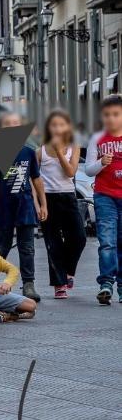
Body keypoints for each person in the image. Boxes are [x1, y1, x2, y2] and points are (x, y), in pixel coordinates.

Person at [0, 112, 47, 303]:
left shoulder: (28, 152)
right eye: (8, 124)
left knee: (27, 248)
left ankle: (29, 284)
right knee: (1, 247)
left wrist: (43, 204)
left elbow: (36, 179)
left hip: (25, 207)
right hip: (3, 207)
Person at [38, 110, 86, 298]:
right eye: (54, 125)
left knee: (79, 237)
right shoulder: (39, 151)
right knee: (53, 242)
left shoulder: (74, 147)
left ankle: (68, 271)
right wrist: (38, 204)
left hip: (68, 197)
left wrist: (59, 152)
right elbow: (35, 180)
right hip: (48, 198)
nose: (58, 129)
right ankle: (59, 284)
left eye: (61, 125)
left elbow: (71, 172)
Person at [84, 94, 122, 305]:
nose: (111, 119)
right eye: (107, 115)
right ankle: (106, 284)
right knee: (107, 243)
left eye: (116, 114)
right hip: (105, 196)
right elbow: (89, 170)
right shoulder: (97, 139)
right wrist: (101, 163)